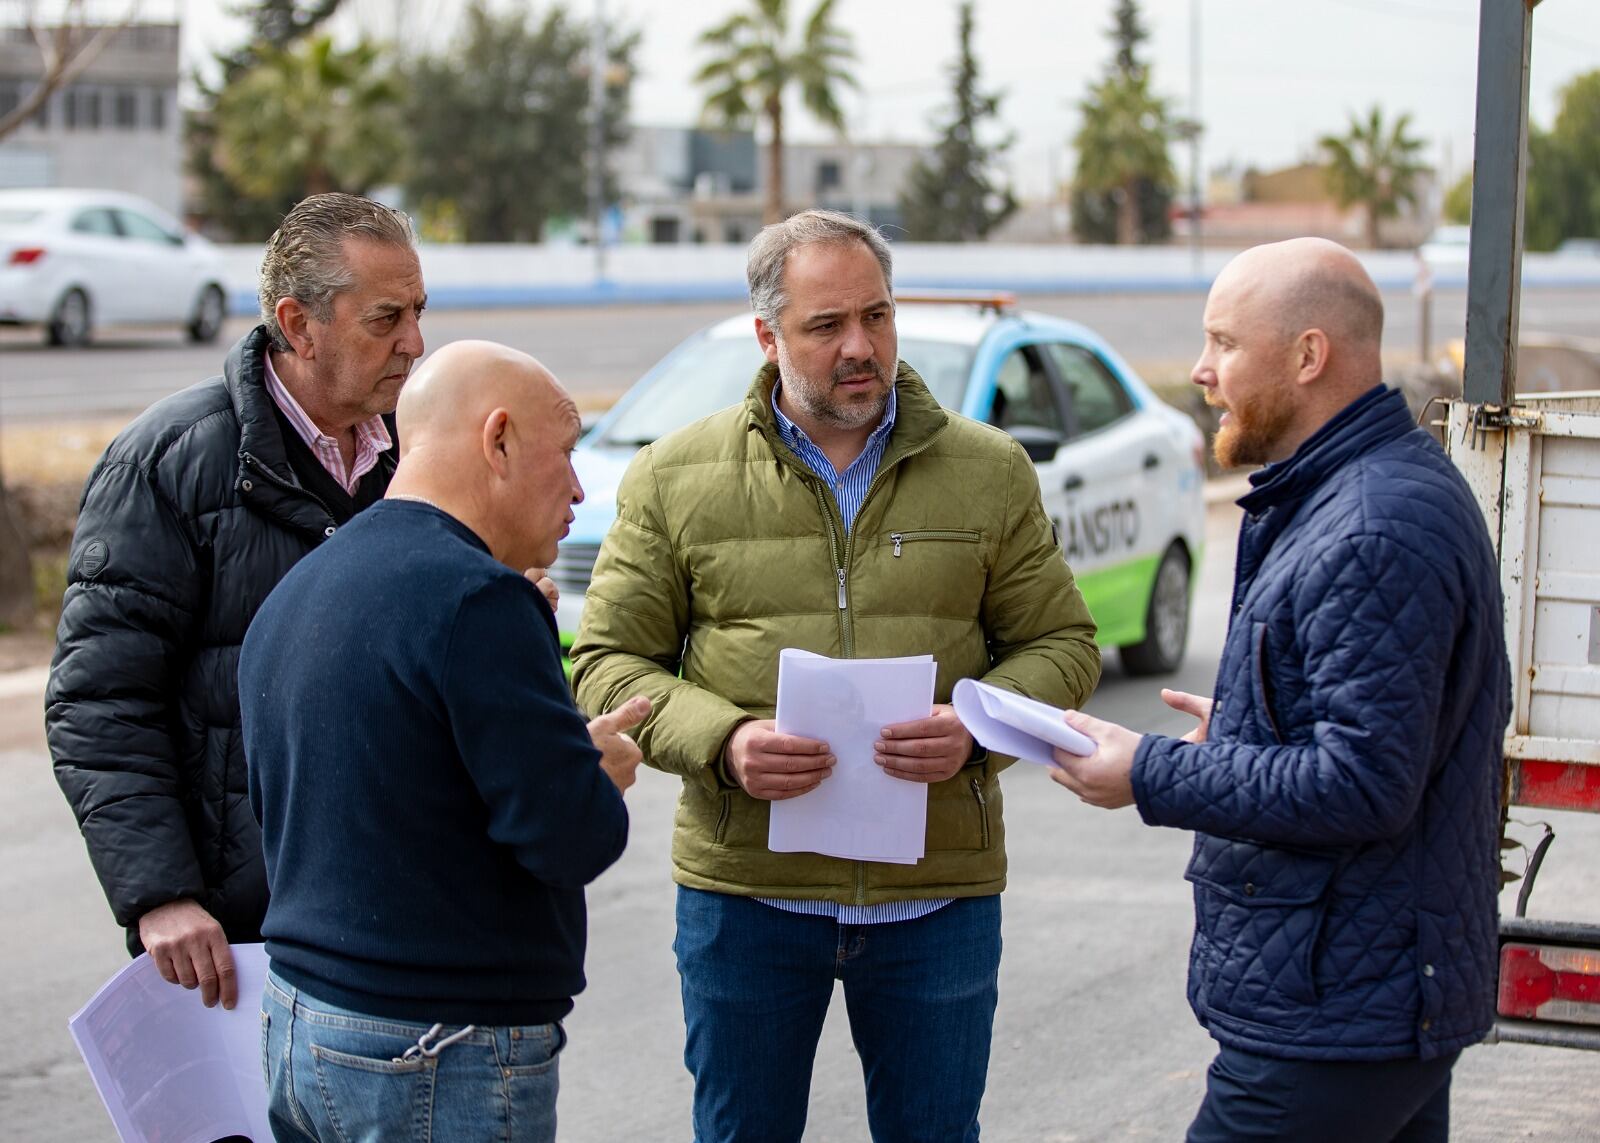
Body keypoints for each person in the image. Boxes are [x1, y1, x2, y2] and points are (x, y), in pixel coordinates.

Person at [571, 209, 1101, 1143]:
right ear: (768, 337)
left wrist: (975, 725)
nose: (860, 347)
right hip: (748, 900)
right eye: (826, 326)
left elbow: (1064, 645)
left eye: (877, 316)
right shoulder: (672, 477)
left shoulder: (989, 471)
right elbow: (608, 663)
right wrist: (725, 740)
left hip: (937, 900)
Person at [1049, 238, 1509, 1142]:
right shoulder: (1352, 492)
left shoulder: (1372, 526)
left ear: (1308, 355)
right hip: (1361, 999)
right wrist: (1255, 725)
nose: (1200, 370)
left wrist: (1148, 772)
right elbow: (1379, 727)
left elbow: (1366, 782)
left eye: (1223, 342)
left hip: (1338, 1016)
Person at [241, 339, 648, 1143]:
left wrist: (553, 753)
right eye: (565, 453)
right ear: (497, 440)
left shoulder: (301, 587)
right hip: (436, 1050)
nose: (577, 487)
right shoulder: (479, 602)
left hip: (302, 1024)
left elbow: (397, 788)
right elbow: (572, 838)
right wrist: (594, 774)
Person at [45, 193, 426, 1012]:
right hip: (238, 939)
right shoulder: (168, 462)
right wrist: (160, 894)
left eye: (419, 313)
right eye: (386, 318)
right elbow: (100, 698)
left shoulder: (427, 452)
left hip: (400, 921)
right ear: (298, 323)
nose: (415, 344)